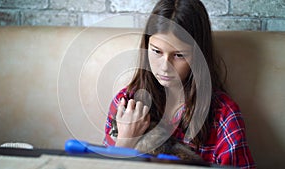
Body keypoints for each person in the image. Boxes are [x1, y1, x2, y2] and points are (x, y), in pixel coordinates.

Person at [103, 0, 256, 168]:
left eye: (179, 55)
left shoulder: (224, 116)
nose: (165, 67)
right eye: (156, 51)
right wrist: (125, 141)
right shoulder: (126, 103)